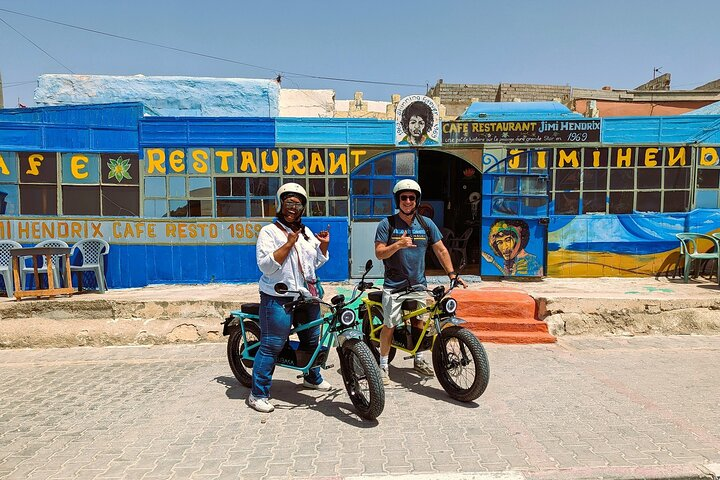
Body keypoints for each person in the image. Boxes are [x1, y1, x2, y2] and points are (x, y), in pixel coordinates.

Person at [374, 179, 467, 385]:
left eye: (412, 198)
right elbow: (379, 253)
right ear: (398, 200)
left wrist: (452, 274)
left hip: (418, 284)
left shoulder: (426, 224)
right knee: (389, 324)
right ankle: (383, 365)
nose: (408, 201)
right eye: (404, 197)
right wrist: (397, 245)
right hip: (394, 286)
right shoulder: (387, 224)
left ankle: (419, 359)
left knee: (420, 322)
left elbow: (441, 249)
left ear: (417, 200)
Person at [249, 182, 332, 413]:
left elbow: (313, 264)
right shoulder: (269, 232)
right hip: (278, 296)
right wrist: (288, 244)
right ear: (280, 204)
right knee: (272, 345)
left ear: (303, 207)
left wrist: (323, 247)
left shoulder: (305, 233)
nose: (292, 207)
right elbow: (265, 266)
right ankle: (258, 394)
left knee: (311, 340)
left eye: (297, 203)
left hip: (306, 296)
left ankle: (312, 377)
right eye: (288, 202)